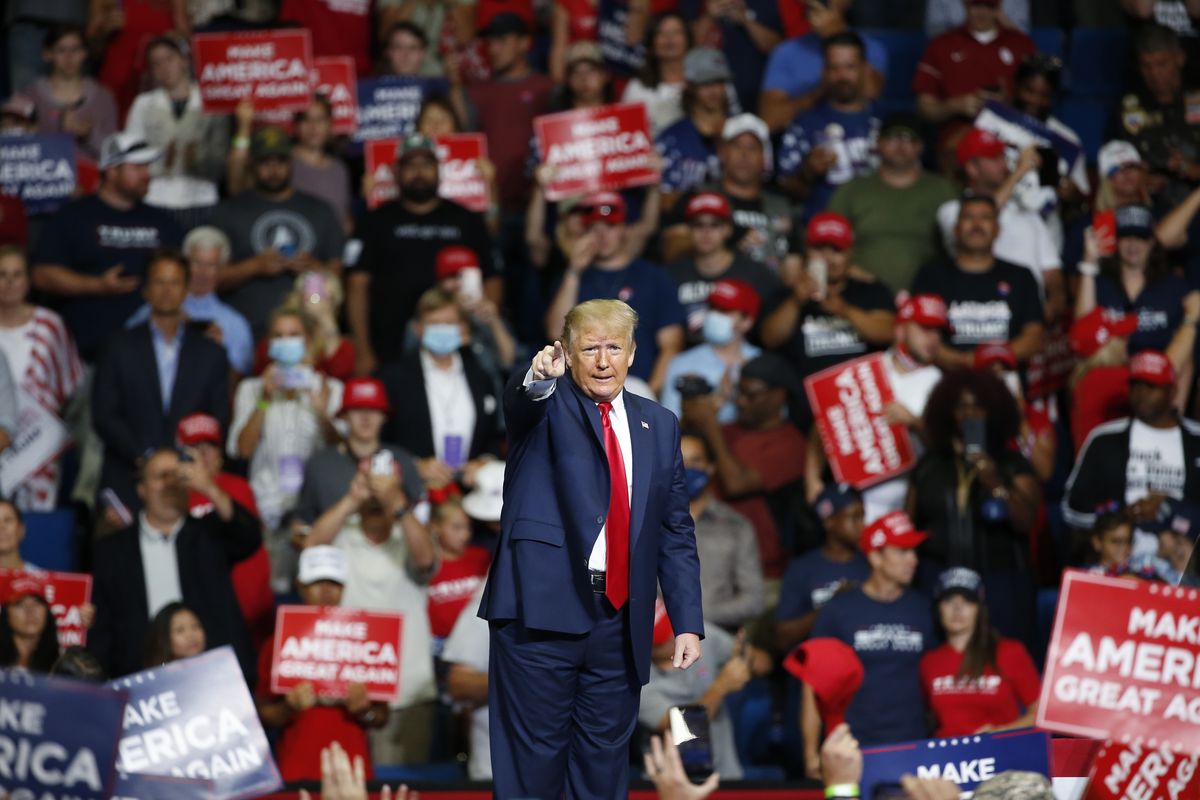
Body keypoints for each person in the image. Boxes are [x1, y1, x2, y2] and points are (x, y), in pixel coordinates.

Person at [479, 299, 703, 800]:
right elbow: (521, 400)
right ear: (567, 352)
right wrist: (538, 375)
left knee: (603, 772)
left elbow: (674, 527)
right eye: (590, 348)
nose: (603, 361)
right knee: (532, 770)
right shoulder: (546, 402)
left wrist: (686, 618)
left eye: (614, 347)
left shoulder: (659, 423)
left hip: (619, 622)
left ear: (632, 353)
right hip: (541, 614)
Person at [304, 455, 438, 766]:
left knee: (401, 791)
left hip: (407, 695)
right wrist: (352, 499)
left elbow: (425, 559)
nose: (378, 499)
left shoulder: (410, 535)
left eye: (386, 490)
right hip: (348, 695)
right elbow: (311, 549)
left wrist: (397, 502)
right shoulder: (343, 536)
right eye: (373, 490)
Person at [89, 447, 261, 681]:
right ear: (141, 489)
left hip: (212, 674)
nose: (170, 483)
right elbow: (103, 623)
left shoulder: (209, 534)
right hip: (139, 674)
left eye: (178, 476)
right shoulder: (112, 550)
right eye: (161, 476)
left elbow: (250, 536)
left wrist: (209, 487)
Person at [907, 368, 1042, 647]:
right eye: (961, 407)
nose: (969, 415)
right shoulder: (930, 466)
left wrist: (993, 480)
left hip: (1001, 582)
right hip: (940, 578)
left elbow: (1025, 521)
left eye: (978, 407)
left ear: (993, 411)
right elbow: (911, 527)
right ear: (947, 413)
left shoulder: (1013, 464)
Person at [92, 249, 230, 515]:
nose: (167, 290)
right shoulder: (117, 346)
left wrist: (187, 458)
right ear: (145, 289)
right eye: (159, 282)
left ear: (187, 289)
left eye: (175, 282)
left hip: (189, 478)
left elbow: (218, 416)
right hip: (127, 475)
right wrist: (145, 457)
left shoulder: (211, 353)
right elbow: (104, 415)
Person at [347, 133, 498, 374]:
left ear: (439, 170)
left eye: (426, 164)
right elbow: (357, 285)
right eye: (410, 165)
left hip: (456, 343)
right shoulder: (374, 221)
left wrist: (484, 330)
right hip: (388, 348)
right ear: (396, 172)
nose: (419, 171)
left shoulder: (468, 220)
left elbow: (492, 279)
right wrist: (363, 350)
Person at [30, 131, 183, 362]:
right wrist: (96, 286)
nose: (146, 175)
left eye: (147, 167)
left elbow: (186, 278)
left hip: (151, 358)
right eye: (138, 167)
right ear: (111, 171)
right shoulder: (73, 216)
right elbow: (42, 275)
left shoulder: (164, 222)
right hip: (86, 354)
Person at [806, 295, 947, 523]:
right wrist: (812, 480)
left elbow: (945, 451)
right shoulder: (866, 369)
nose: (933, 338)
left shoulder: (941, 383)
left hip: (903, 502)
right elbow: (823, 424)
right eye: (924, 329)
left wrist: (915, 422)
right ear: (901, 329)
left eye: (939, 332)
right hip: (851, 500)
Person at [228, 305, 343, 580]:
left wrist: (322, 414)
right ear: (269, 344)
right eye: (278, 336)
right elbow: (241, 450)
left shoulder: (332, 388)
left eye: (294, 335)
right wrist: (264, 400)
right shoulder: (251, 389)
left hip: (316, 515)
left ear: (309, 340)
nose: (286, 341)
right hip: (266, 512)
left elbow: (341, 454)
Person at [257, 546, 390, 782]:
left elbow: (381, 716)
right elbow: (263, 714)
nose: (327, 591)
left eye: (334, 583)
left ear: (344, 588)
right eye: (317, 582)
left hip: (353, 773)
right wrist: (289, 706)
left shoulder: (366, 640)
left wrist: (365, 711)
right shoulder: (277, 642)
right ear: (300, 586)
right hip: (297, 770)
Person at [808, 512, 934, 755]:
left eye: (914, 551)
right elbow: (813, 685)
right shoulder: (839, 610)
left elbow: (937, 674)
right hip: (854, 747)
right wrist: (810, 753)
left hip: (914, 745)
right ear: (875, 557)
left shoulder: (924, 608)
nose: (913, 560)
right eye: (903, 551)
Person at [1065, 350, 1200, 558]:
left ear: (1172, 391)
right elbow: (1073, 510)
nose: (1141, 393)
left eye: (1151, 386)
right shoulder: (1104, 440)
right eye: (1135, 385)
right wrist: (1121, 516)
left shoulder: (1196, 441)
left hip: (1184, 564)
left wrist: (1171, 511)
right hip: (1120, 563)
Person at [545, 194, 687, 394]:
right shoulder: (571, 278)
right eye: (594, 228)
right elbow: (556, 333)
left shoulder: (653, 276)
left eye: (610, 226)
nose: (602, 236)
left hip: (638, 389)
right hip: (584, 393)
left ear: (624, 229)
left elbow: (671, 345)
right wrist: (574, 271)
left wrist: (650, 394)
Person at [682, 354, 807, 579]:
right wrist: (691, 416)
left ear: (780, 396)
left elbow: (736, 484)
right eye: (739, 392)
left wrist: (710, 426)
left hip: (759, 569)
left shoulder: (791, 444)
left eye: (752, 395)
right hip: (708, 557)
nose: (740, 401)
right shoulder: (728, 430)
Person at [213, 126, 345, 338]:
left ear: (291, 162)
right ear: (251, 164)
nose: (273, 169)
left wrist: (313, 268)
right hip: (244, 331)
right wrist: (254, 267)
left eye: (280, 161)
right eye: (265, 162)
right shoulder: (229, 211)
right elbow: (207, 279)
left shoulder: (320, 210)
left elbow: (337, 278)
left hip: (308, 334)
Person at [760, 212, 896, 397]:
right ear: (806, 250)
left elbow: (886, 333)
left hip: (858, 400)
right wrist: (795, 301)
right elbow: (769, 339)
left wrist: (844, 310)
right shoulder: (786, 295)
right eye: (819, 249)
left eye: (836, 249)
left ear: (850, 252)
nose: (828, 258)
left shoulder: (871, 291)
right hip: (804, 400)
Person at [378, 288, 503, 489]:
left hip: (468, 492)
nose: (442, 330)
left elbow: (493, 437)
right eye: (434, 324)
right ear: (418, 328)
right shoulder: (394, 378)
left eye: (449, 324)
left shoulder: (480, 376)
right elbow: (379, 440)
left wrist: (484, 461)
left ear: (463, 328)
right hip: (413, 491)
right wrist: (414, 466)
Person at [936, 128, 1066, 321]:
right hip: (977, 318)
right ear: (972, 168)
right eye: (994, 158)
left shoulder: (1028, 214)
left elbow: (1052, 273)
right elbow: (983, 215)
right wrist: (1019, 171)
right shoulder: (952, 211)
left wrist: (1054, 302)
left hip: (1028, 319)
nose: (1004, 164)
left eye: (1003, 156)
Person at [827, 112, 958, 294]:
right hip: (862, 295)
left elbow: (962, 243)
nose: (901, 145)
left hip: (927, 296)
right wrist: (849, 271)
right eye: (893, 137)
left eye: (909, 139)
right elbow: (827, 244)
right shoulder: (852, 190)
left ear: (921, 146)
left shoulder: (943, 190)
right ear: (878, 143)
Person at [640, 603, 772, 781]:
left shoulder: (694, 635)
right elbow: (683, 727)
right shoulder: (638, 682)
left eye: (672, 628)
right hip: (672, 782)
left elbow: (765, 663)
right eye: (664, 637)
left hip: (725, 775)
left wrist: (746, 658)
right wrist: (722, 685)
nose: (674, 637)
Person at [175, 412, 272, 652]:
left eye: (210, 446)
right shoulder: (173, 493)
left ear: (220, 455)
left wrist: (207, 486)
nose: (203, 454)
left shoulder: (235, 487)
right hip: (195, 609)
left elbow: (247, 539)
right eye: (194, 447)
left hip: (240, 609)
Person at [911, 194, 1046, 368]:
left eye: (985, 218)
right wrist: (963, 362)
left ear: (998, 229)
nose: (976, 225)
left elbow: (1034, 337)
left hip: (1004, 380)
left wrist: (993, 359)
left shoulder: (1021, 276)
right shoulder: (930, 276)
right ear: (956, 229)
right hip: (945, 380)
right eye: (968, 217)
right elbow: (918, 334)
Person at [0, 246, 83, 510]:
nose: (10, 282)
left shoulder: (50, 325)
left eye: (17, 274)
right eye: (2, 274)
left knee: (36, 526)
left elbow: (70, 387)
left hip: (39, 448)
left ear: (29, 279)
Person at [291, 377, 425, 540]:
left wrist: (395, 499)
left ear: (384, 416)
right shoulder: (319, 465)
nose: (366, 417)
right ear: (344, 416)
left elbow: (423, 530)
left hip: (394, 559)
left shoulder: (404, 461)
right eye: (357, 409)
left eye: (373, 410)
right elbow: (300, 528)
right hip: (336, 559)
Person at [912, 0, 1036, 168]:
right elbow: (924, 108)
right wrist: (954, 106)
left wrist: (1006, 102)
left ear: (999, 7)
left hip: (1011, 139)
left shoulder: (1021, 45)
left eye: (989, 6)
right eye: (977, 5)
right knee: (952, 150)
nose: (982, 12)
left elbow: (1039, 104)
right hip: (957, 143)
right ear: (965, 5)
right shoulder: (941, 45)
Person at [919, 567, 1040, 737]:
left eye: (967, 601)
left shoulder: (1010, 652)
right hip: (947, 758)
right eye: (949, 600)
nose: (957, 608)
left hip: (1001, 755)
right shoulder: (929, 662)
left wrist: (1000, 732)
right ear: (938, 608)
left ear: (979, 608)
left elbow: (1041, 713)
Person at [660, 114, 791, 271]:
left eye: (752, 148)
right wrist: (727, 238)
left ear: (765, 158)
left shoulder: (782, 206)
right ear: (722, 152)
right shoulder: (699, 196)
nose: (744, 155)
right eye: (736, 146)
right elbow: (670, 247)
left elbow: (793, 266)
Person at [778, 31, 880, 221]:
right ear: (824, 72)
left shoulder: (882, 122)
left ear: (865, 69)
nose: (842, 76)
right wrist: (808, 172)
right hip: (822, 232)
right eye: (834, 68)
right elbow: (787, 189)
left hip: (875, 228)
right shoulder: (805, 124)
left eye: (850, 67)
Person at [1076, 205, 1199, 361]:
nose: (1133, 244)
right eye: (1126, 236)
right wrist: (1089, 262)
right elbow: (1082, 334)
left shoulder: (1173, 287)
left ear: (1152, 242)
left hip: (1158, 380)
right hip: (1109, 377)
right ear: (1116, 240)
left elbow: (1187, 354)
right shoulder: (1100, 283)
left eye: (1141, 237)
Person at [126, 226, 254, 376]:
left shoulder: (235, 324)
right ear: (184, 265)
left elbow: (234, 386)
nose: (203, 273)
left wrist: (217, 353)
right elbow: (125, 358)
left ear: (222, 269)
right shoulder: (153, 311)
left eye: (211, 265)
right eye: (197, 263)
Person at [124, 35, 227, 215]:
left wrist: (197, 160)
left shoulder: (210, 102)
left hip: (202, 196)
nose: (164, 67)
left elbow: (221, 161)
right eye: (156, 63)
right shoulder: (143, 104)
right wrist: (162, 162)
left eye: (169, 59)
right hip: (156, 197)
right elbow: (131, 156)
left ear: (184, 60)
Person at [467, 13, 555, 219]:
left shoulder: (547, 89)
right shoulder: (476, 93)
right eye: (491, 42)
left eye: (502, 41)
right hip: (492, 203)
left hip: (537, 202)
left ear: (525, 43)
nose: (493, 49)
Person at [665, 191, 782, 342]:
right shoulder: (670, 275)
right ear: (689, 230)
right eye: (698, 225)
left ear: (728, 229)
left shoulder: (755, 274)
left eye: (715, 225)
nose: (706, 232)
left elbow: (772, 332)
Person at [758, 1, 887, 135]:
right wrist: (821, 90)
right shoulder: (786, 52)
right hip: (805, 141)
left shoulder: (871, 49)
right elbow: (768, 122)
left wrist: (838, 34)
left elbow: (871, 95)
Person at [680, 431, 764, 629]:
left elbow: (753, 600)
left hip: (717, 635)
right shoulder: (646, 521)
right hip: (658, 639)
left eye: (695, 461)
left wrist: (696, 617)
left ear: (710, 468)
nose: (686, 469)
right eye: (679, 460)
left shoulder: (736, 526)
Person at [1111, 25, 1200, 209]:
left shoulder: (1197, 99)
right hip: (1147, 206)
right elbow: (1112, 165)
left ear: (1180, 59)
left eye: (1162, 64)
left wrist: (1191, 169)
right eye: (1147, 66)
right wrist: (1140, 179)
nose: (1154, 73)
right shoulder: (1129, 108)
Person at [776, 483, 870, 653]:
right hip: (816, 663)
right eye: (854, 517)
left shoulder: (872, 564)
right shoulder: (802, 568)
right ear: (829, 521)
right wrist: (831, 605)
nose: (863, 524)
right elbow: (783, 637)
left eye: (863, 516)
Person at [661, 278, 762, 422]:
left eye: (725, 310)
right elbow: (669, 427)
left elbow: (773, 426)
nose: (715, 315)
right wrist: (714, 404)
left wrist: (739, 398)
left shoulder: (762, 364)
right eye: (713, 307)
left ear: (747, 322)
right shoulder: (681, 364)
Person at [27, 25, 117, 160]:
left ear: (85, 53)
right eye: (61, 50)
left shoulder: (104, 98)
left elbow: (115, 153)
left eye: (75, 50)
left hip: (92, 177)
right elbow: (19, 151)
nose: (69, 57)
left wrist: (90, 135)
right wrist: (57, 130)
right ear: (47, 54)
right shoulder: (29, 97)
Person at [657, 48, 735, 201]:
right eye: (705, 83)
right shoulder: (672, 138)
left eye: (719, 82)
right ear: (690, 86)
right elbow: (665, 200)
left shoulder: (741, 132)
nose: (714, 91)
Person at [427, 494, 492, 643]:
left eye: (468, 527)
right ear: (435, 526)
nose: (465, 534)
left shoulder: (481, 557)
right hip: (438, 642)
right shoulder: (427, 563)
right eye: (456, 527)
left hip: (477, 640)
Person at [290, 96, 354, 235]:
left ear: (330, 125)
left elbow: (345, 221)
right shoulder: (284, 163)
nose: (313, 127)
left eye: (320, 120)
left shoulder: (339, 169)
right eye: (306, 119)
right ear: (296, 125)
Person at [621, 12, 693, 135]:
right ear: (652, 43)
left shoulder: (707, 83)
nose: (669, 40)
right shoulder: (637, 88)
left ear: (688, 40)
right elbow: (627, 135)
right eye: (662, 34)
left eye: (676, 32)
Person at [0, 575, 60, 672]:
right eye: (19, 604)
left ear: (47, 612)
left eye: (37, 603)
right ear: (6, 614)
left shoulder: (62, 664)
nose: (30, 611)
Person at [142, 601, 206, 666]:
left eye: (195, 626)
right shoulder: (157, 674)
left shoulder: (214, 666)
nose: (191, 635)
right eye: (180, 630)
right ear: (163, 637)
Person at [1084, 505, 1135, 572]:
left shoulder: (1140, 575)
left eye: (1128, 541)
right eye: (1116, 541)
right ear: (1097, 542)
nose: (1124, 547)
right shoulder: (1084, 574)